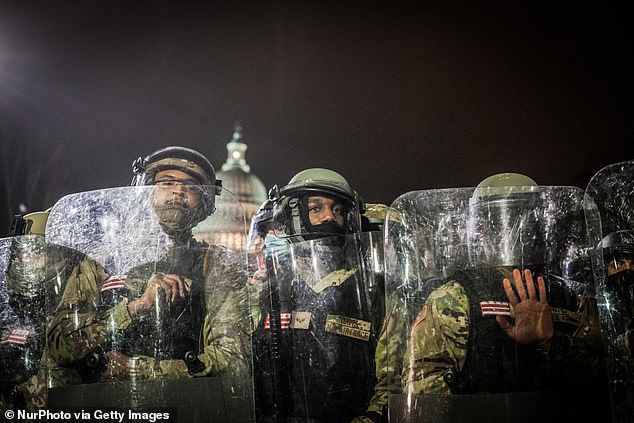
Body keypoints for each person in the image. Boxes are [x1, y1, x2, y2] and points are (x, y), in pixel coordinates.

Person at [382, 173, 607, 422]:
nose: (515, 232)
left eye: (525, 219)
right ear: (480, 232)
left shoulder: (570, 298)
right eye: (498, 223)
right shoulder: (454, 298)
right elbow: (424, 392)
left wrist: (551, 341)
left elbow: (602, 382)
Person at [46, 146, 250, 384]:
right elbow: (58, 347)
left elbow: (234, 360)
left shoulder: (215, 264)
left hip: (189, 403)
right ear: (146, 193)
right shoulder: (103, 260)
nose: (178, 192)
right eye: (166, 183)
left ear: (203, 205)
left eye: (191, 187)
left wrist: (141, 370)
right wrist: (135, 307)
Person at [253, 168, 384, 423]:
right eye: (316, 208)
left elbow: (391, 370)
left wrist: (371, 417)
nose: (329, 217)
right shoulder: (271, 288)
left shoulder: (369, 287)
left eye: (337, 210)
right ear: (294, 216)